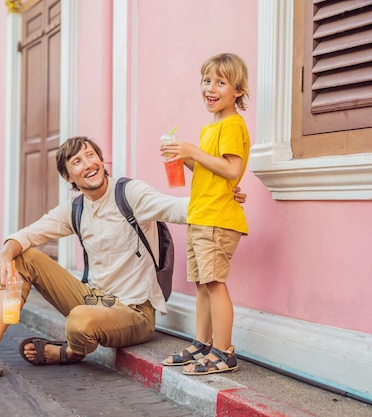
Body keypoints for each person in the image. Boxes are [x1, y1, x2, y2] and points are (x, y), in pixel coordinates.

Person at [0, 136, 246, 381]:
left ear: (102, 161)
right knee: (24, 258)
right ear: (70, 177)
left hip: (134, 312)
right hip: (92, 298)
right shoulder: (75, 208)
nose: (87, 164)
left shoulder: (129, 193)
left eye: (91, 155)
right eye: (77, 162)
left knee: (79, 321)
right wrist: (6, 253)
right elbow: (31, 233)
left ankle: (70, 351)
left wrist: (221, 198)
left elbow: (179, 208)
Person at [160, 53, 251, 375]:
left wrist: (193, 151)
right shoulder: (211, 127)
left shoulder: (232, 124)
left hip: (217, 219)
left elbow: (232, 169)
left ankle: (224, 352)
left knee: (214, 283)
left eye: (220, 82)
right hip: (201, 215)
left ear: (237, 90)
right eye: (206, 80)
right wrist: (184, 157)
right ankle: (202, 343)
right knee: (202, 283)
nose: (210, 88)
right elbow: (209, 171)